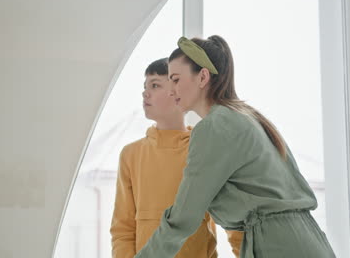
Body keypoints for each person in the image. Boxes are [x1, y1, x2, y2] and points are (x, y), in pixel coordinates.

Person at [134, 36, 336, 258]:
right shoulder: (247, 117)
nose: (171, 90)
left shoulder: (214, 128)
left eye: (175, 79)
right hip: (305, 240)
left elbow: (183, 218)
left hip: (280, 246)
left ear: (202, 77)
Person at [110, 58, 243, 258]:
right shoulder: (131, 155)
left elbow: (234, 223)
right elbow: (123, 229)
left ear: (177, 92)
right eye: (145, 86)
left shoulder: (203, 149)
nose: (145, 92)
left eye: (155, 85)